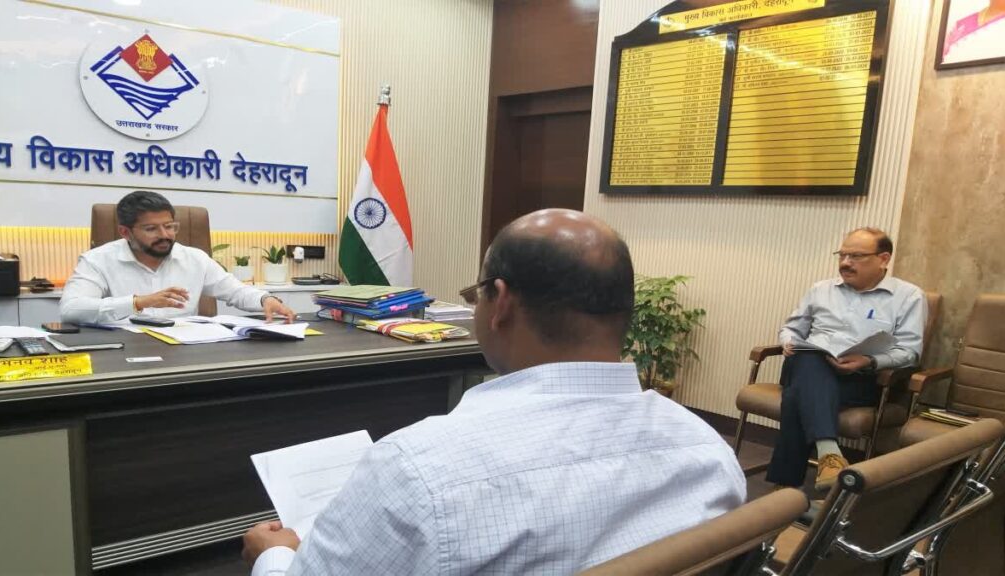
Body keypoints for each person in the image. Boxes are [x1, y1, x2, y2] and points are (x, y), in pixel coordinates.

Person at [242, 208, 745, 574]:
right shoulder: (707, 449)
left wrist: (275, 556)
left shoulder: (418, 471)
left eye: (475, 294)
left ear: (499, 303)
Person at [767, 227, 926, 491]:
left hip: (861, 380)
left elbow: (910, 351)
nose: (845, 263)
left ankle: (786, 489)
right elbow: (792, 329)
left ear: (883, 259)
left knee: (797, 396)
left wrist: (869, 360)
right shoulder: (821, 289)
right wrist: (788, 342)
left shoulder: (908, 297)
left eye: (856, 256)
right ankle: (828, 452)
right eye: (842, 255)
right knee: (810, 358)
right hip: (807, 366)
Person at [60, 191, 295, 324]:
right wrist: (138, 302)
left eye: (170, 226)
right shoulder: (97, 261)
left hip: (183, 354)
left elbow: (236, 291)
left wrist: (265, 299)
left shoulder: (195, 258)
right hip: (124, 354)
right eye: (151, 229)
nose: (165, 235)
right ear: (125, 232)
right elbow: (71, 309)